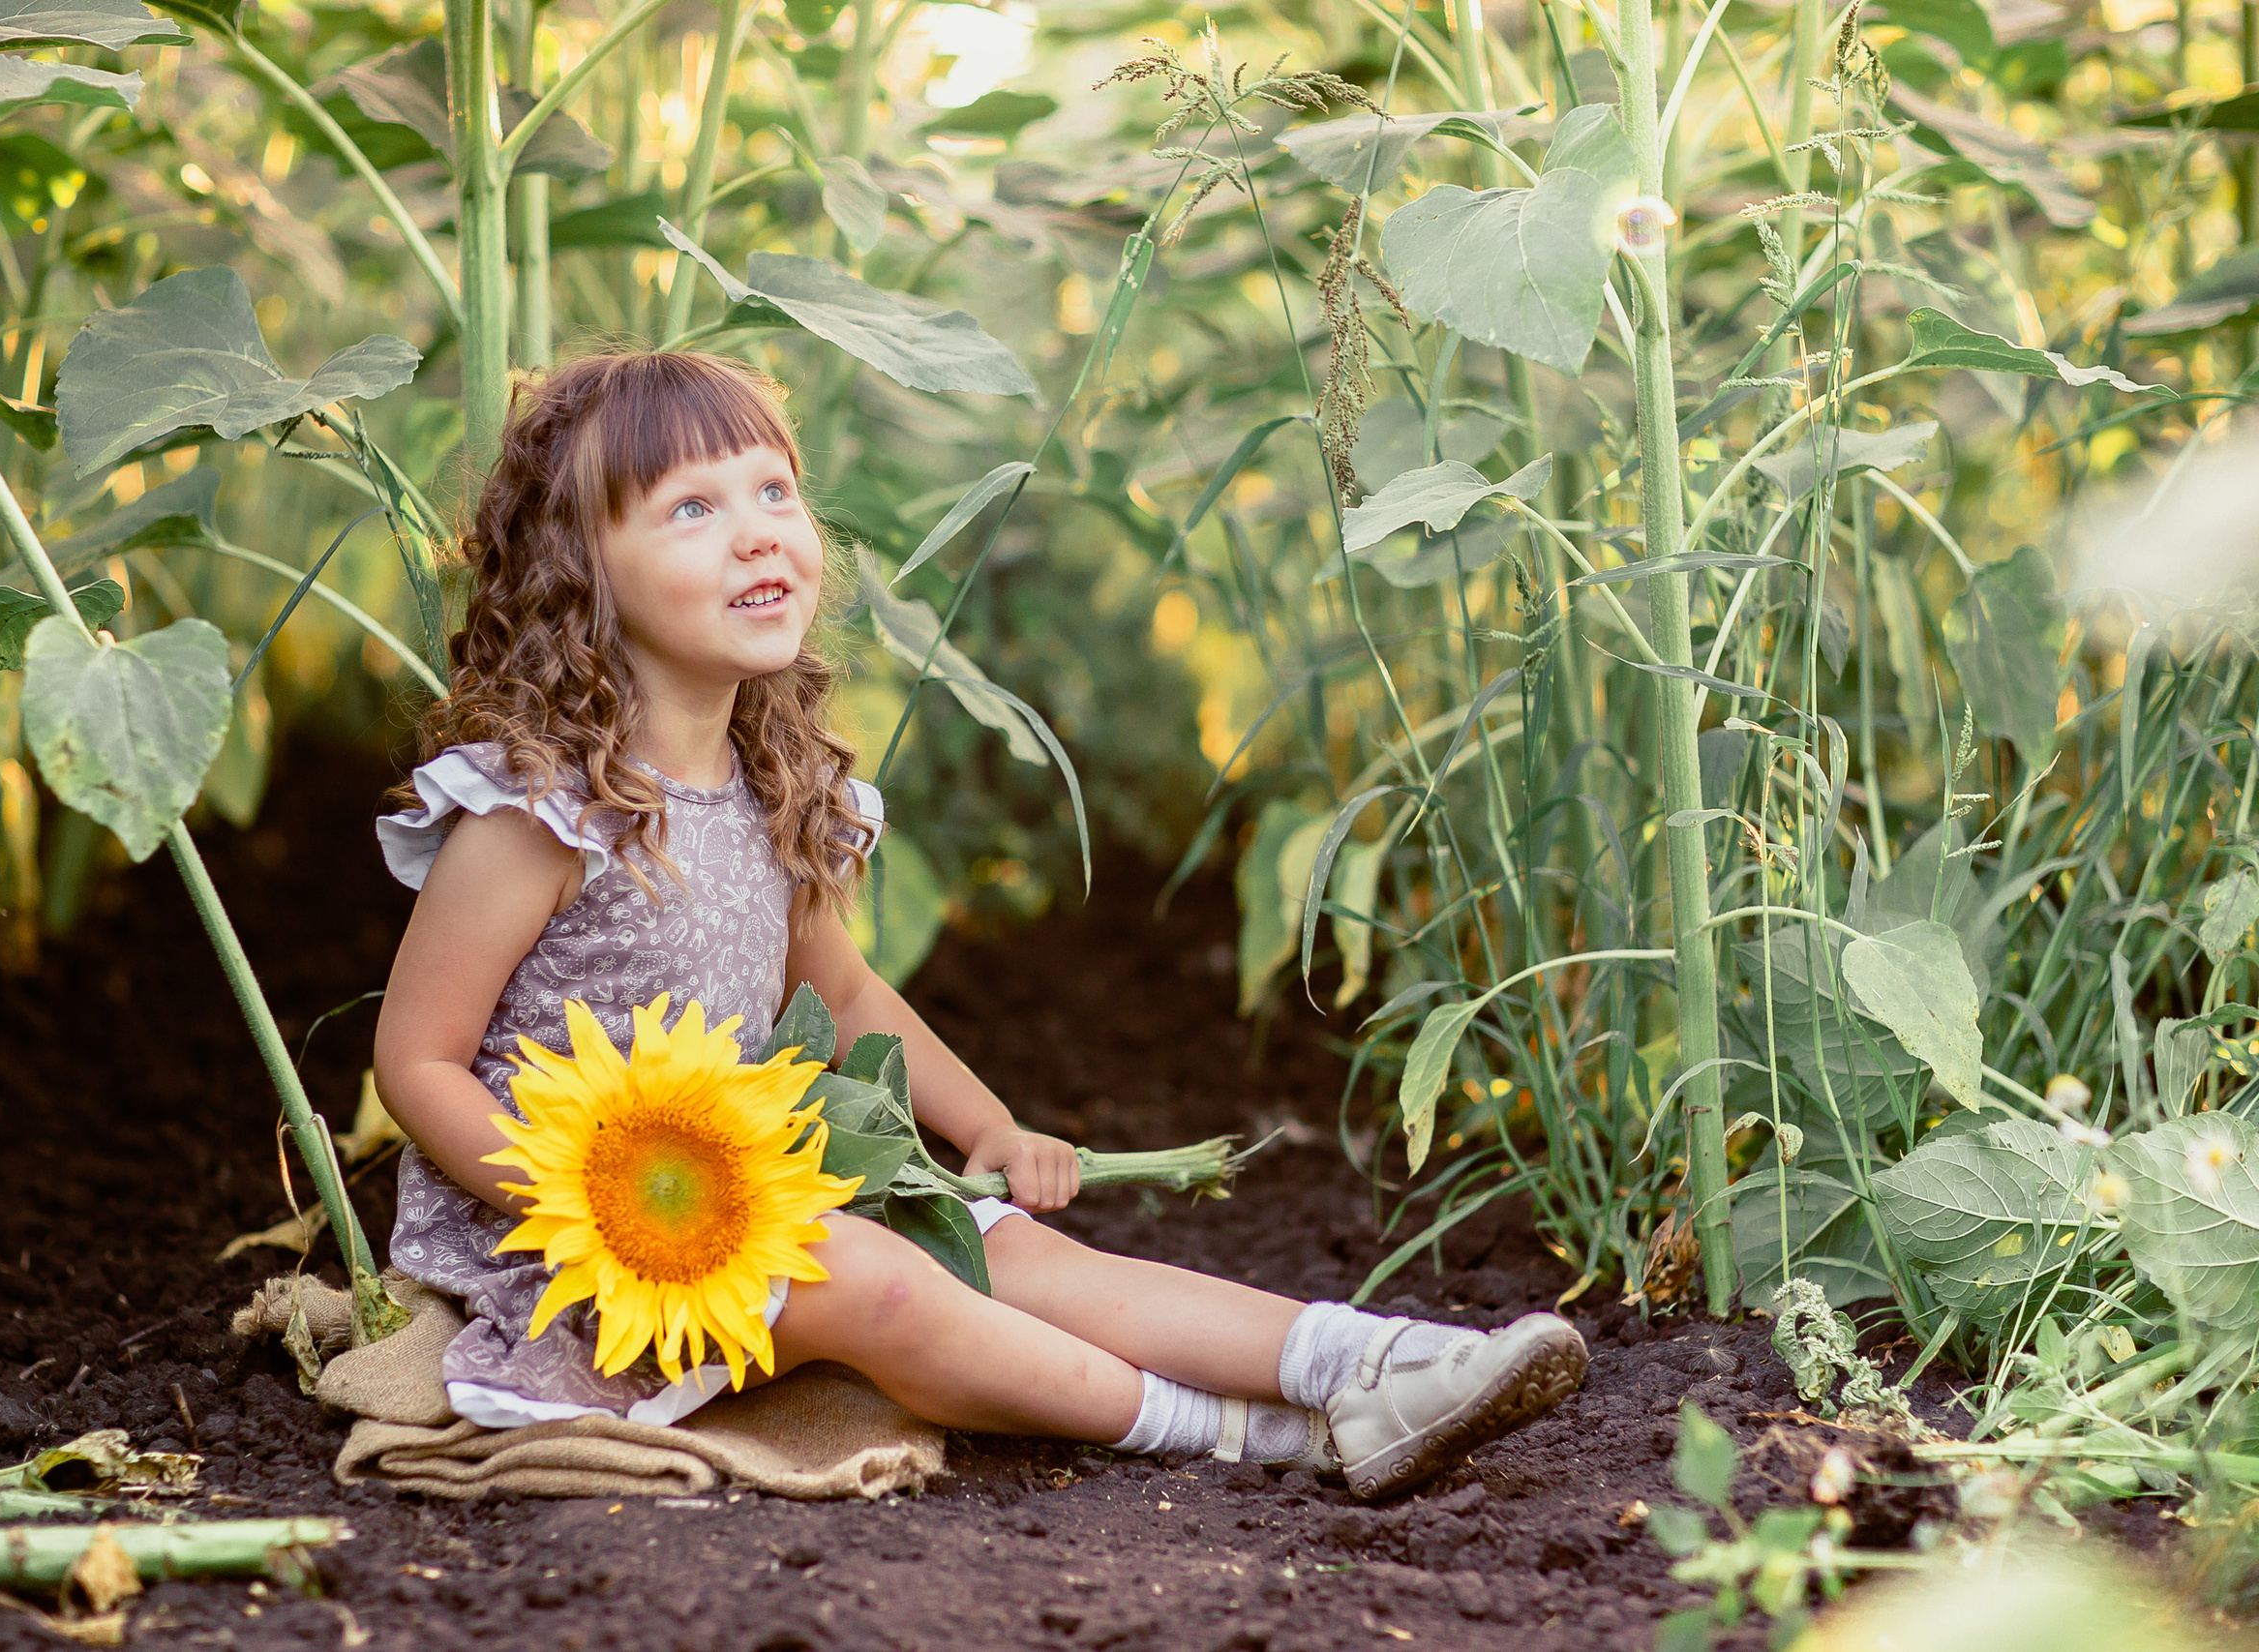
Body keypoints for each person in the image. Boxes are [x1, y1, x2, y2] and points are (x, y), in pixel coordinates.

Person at [370, 348, 1585, 1502]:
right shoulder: (538, 813)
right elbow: (416, 1059)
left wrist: (985, 1124)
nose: (758, 530)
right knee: (883, 1283)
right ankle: (1250, 1435)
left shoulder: (763, 782)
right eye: (691, 508)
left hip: (743, 1187)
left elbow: (841, 994)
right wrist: (590, 1203)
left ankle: (1364, 1365)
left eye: (775, 490)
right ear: (581, 570)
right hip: (579, 1246)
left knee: (1020, 1256)